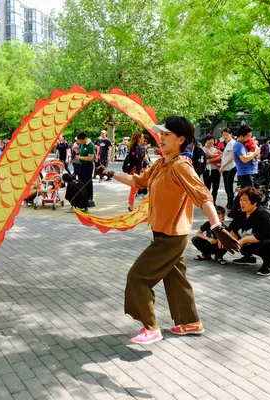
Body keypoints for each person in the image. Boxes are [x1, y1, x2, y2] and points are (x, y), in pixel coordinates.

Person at [101, 116, 239, 344]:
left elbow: (204, 196)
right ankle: (191, 322)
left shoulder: (181, 166)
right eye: (160, 134)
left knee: (137, 277)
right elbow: (138, 182)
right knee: (176, 280)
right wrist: (110, 172)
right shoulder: (161, 164)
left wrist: (217, 227)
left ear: (181, 139)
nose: (161, 138)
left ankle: (151, 327)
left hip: (171, 237)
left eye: (167, 135)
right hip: (163, 233)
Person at [228, 187, 270, 276]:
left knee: (266, 244)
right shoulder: (240, 213)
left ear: (254, 202)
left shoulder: (262, 214)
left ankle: (268, 265)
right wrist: (225, 239)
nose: (241, 203)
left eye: (245, 200)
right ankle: (248, 258)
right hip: (253, 243)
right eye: (240, 200)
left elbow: (265, 235)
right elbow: (233, 229)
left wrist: (244, 240)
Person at [229, 125, 260, 217]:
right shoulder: (238, 145)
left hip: (252, 171)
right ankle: (240, 212)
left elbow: (258, 154)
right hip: (245, 173)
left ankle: (233, 212)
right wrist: (254, 152)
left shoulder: (247, 143)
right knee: (248, 194)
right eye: (248, 136)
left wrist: (255, 152)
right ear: (241, 136)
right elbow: (244, 159)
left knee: (245, 193)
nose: (250, 138)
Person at [126, 131, 147, 212]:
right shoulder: (141, 149)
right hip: (139, 172)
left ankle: (131, 206)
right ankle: (131, 207)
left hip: (134, 171)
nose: (143, 139)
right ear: (138, 138)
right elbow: (140, 162)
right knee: (134, 189)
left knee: (134, 190)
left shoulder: (132, 148)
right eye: (142, 137)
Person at [76, 132, 96, 207]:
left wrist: (80, 157)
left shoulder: (91, 145)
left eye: (80, 140)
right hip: (81, 165)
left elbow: (90, 158)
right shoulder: (81, 144)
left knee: (87, 182)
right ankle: (82, 196)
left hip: (87, 166)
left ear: (85, 139)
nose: (79, 142)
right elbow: (79, 150)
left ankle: (89, 198)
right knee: (81, 181)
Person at [219, 128, 236, 210]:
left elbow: (232, 157)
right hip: (228, 168)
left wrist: (223, 166)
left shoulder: (231, 144)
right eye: (223, 135)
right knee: (228, 187)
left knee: (229, 188)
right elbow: (228, 156)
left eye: (227, 134)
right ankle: (229, 205)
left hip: (230, 168)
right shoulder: (230, 143)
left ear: (231, 134)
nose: (225, 136)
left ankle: (230, 206)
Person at [202, 135, 222, 204]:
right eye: (209, 140)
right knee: (207, 187)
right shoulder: (203, 150)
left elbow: (221, 158)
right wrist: (215, 159)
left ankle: (214, 202)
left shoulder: (216, 149)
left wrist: (220, 156)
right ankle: (207, 202)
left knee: (215, 188)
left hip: (216, 170)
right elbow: (205, 161)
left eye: (212, 139)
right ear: (206, 141)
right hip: (207, 170)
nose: (211, 141)